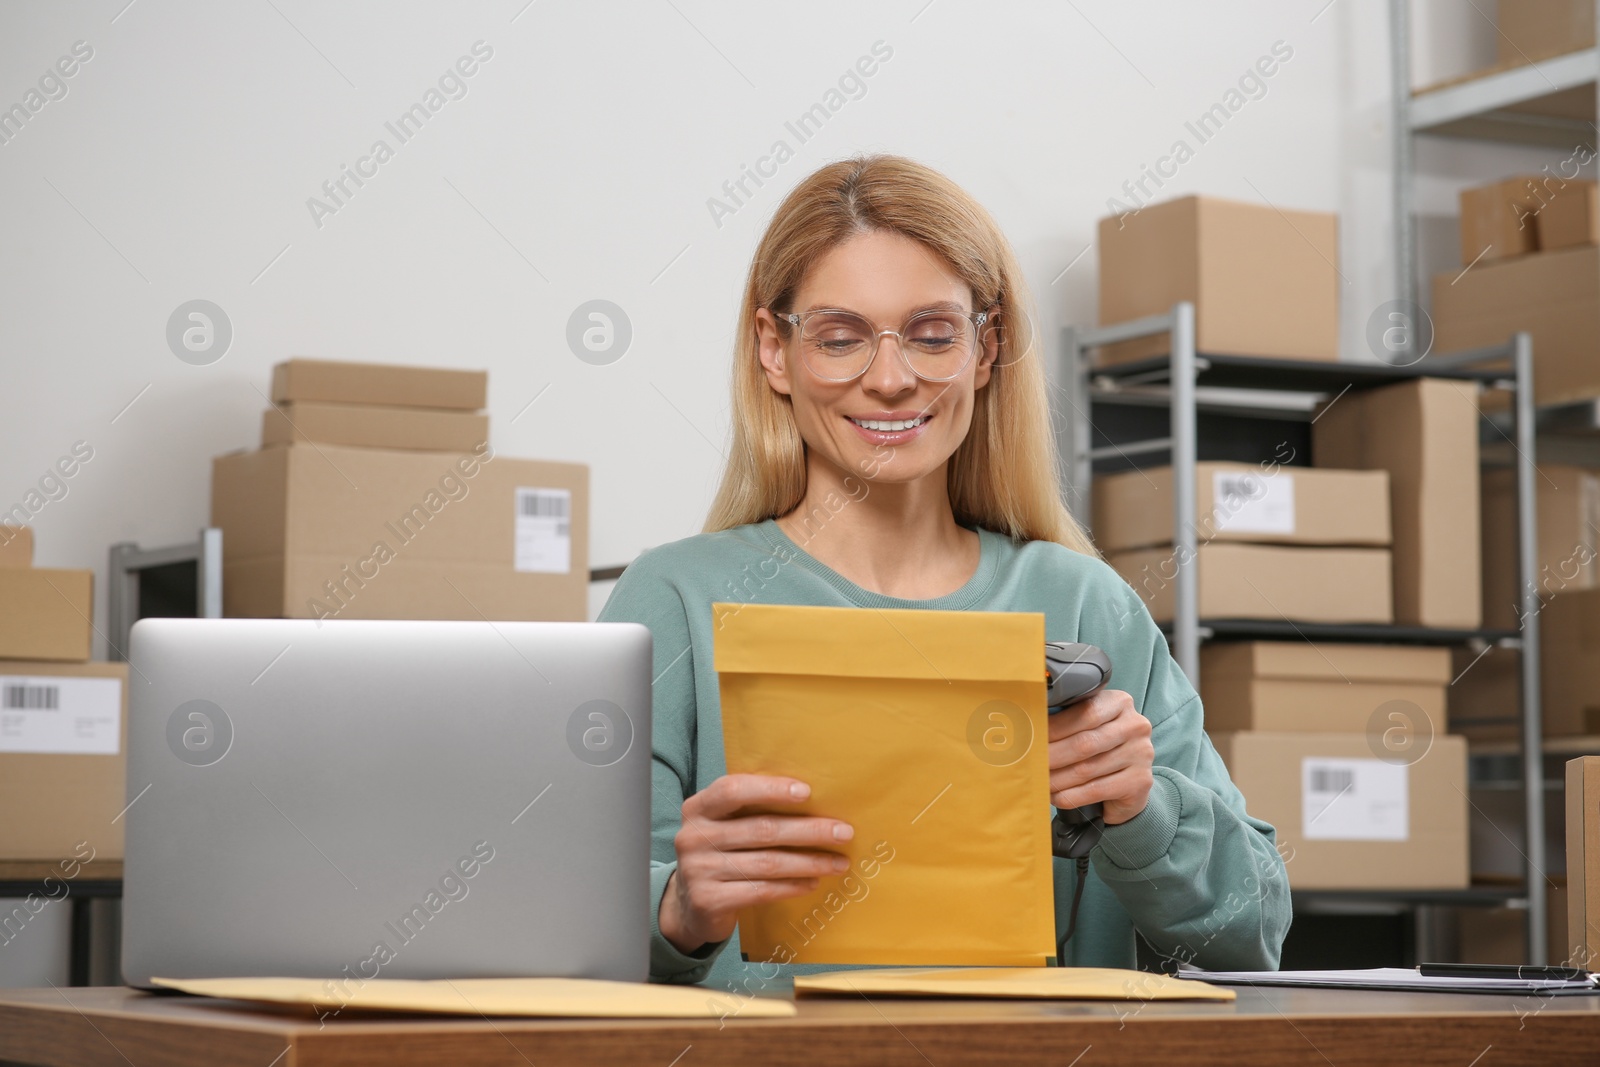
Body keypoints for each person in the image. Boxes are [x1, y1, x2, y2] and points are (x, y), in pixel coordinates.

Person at [598, 155, 1290, 991]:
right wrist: (677, 907)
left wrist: (1145, 809)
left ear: (987, 348)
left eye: (932, 334)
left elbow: (1253, 938)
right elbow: (559, 941)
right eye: (840, 337)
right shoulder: (674, 601)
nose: (890, 380)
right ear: (773, 352)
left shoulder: (1085, 600)